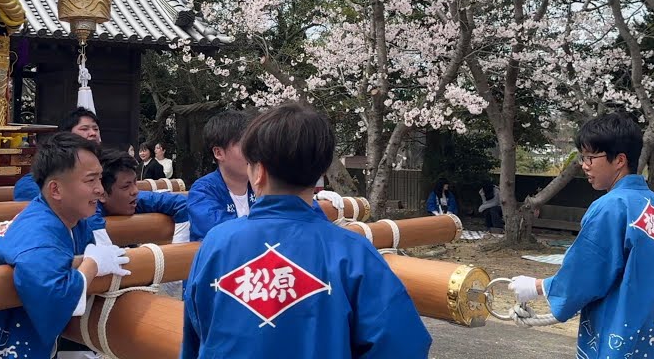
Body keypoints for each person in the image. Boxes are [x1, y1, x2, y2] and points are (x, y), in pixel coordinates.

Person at [181, 102, 431, 358]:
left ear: (259, 172)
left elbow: (197, 333)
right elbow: (403, 345)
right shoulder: (353, 252)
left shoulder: (216, 244)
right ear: (320, 171)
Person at [510, 112, 654, 359]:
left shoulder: (611, 206)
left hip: (617, 327)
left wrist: (539, 287)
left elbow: (587, 269)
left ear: (619, 160)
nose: (584, 164)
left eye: (590, 157)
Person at [0, 133, 130, 359]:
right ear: (55, 190)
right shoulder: (37, 233)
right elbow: (55, 298)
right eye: (90, 180)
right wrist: (92, 263)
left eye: (100, 179)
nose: (100, 190)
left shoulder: (72, 220)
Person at [97, 148, 190, 242]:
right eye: (126, 187)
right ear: (101, 195)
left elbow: (181, 203)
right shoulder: (88, 212)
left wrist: (179, 245)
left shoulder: (137, 199)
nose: (135, 191)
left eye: (135, 183)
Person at [188, 110, 254, 241]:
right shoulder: (202, 191)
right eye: (246, 145)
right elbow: (221, 233)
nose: (254, 152)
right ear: (218, 153)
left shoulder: (264, 184)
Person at [13, 109, 103, 201]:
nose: (93, 133)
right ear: (66, 135)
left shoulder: (107, 168)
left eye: (95, 129)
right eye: (84, 129)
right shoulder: (32, 184)